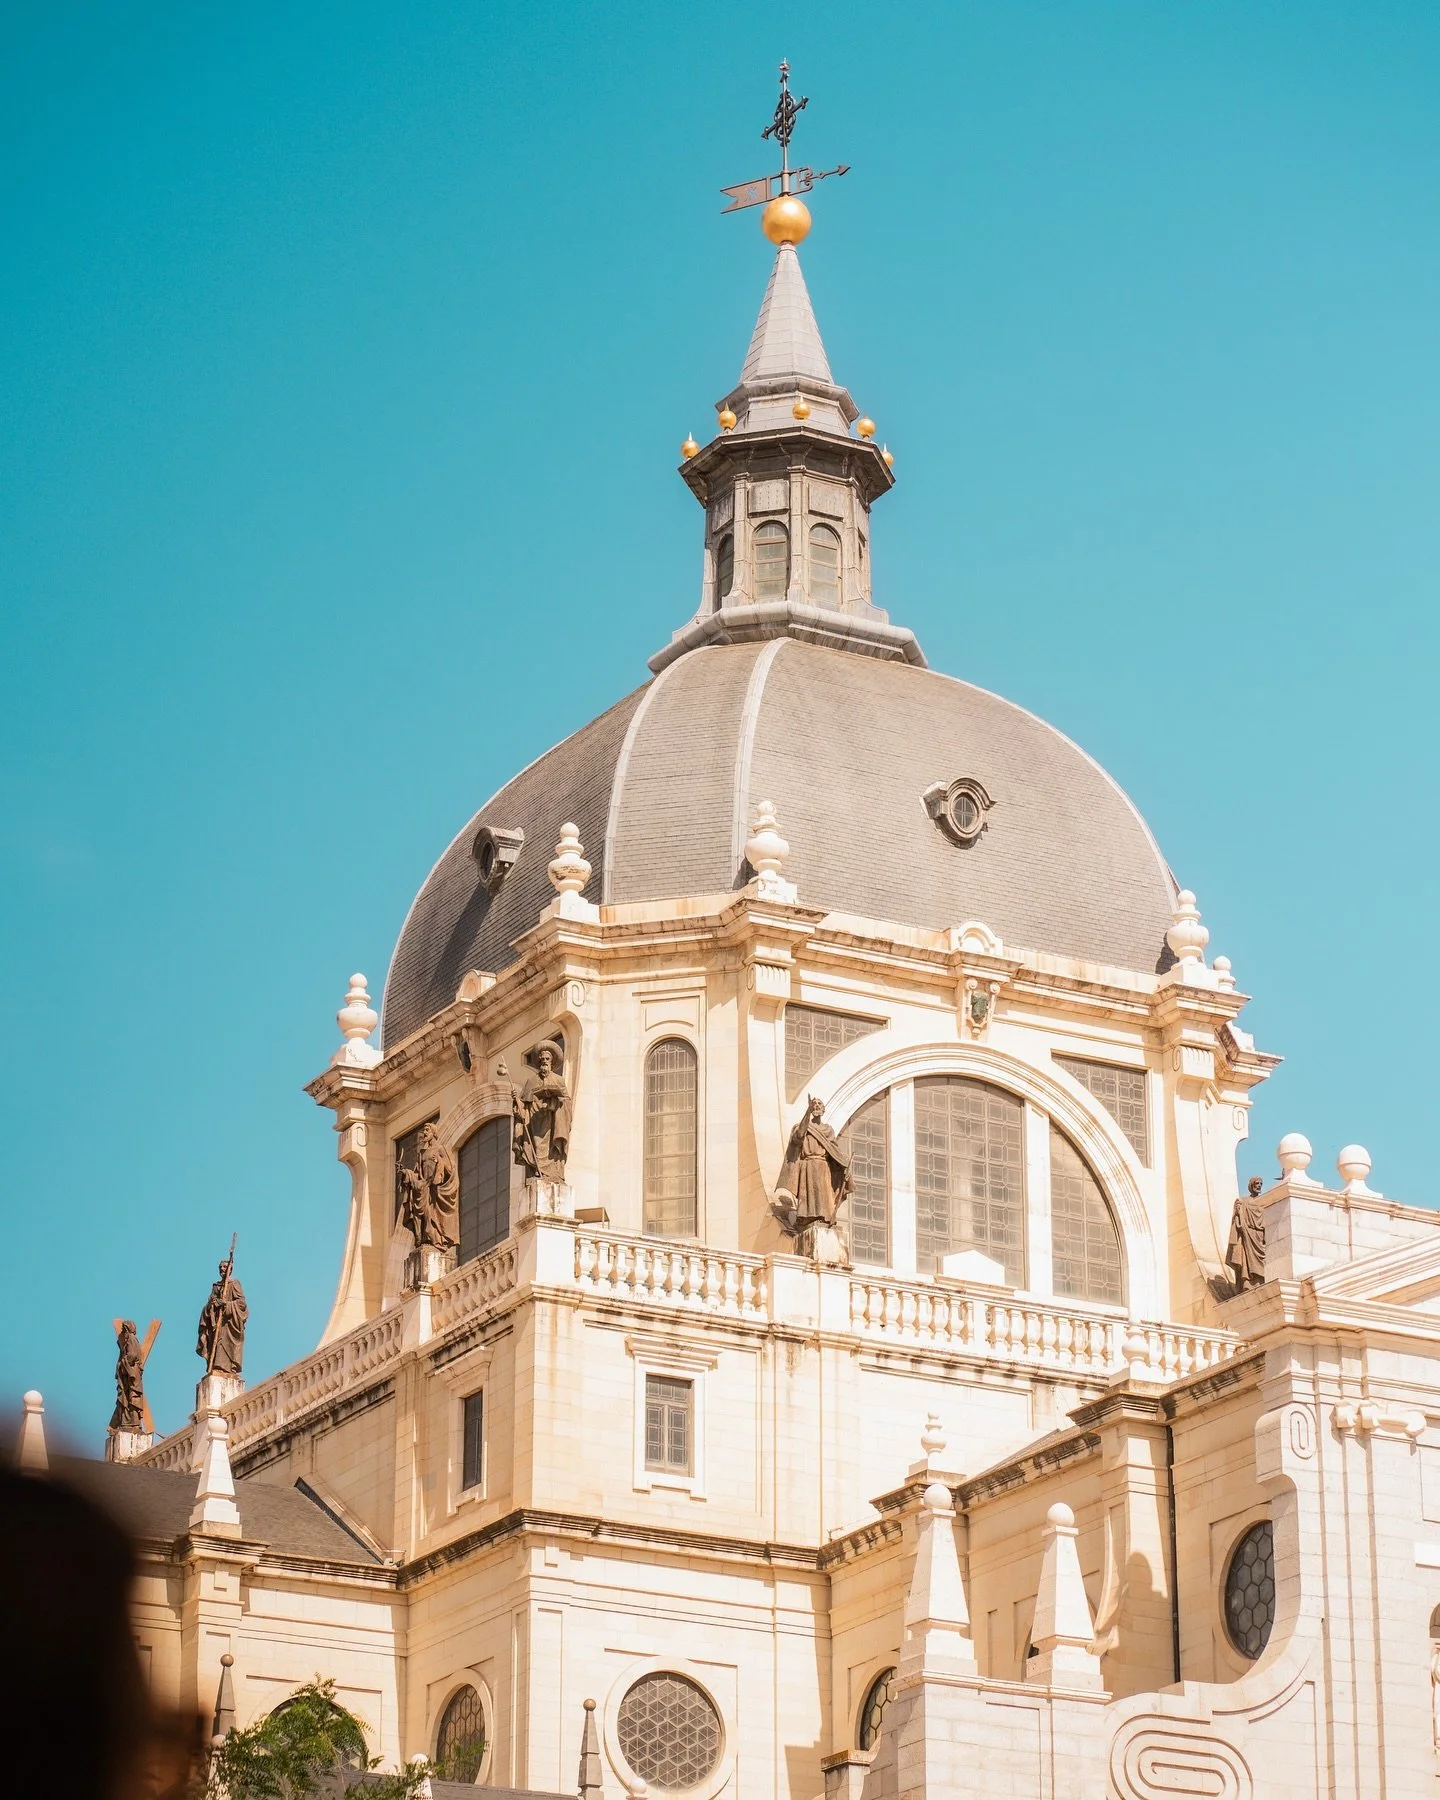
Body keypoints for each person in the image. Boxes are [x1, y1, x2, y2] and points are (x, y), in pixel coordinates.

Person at [773, 1096, 851, 1235]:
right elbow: (799, 1136)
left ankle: (824, 1218)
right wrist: (807, 1114)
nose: (816, 1106)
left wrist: (844, 1165)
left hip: (823, 1166)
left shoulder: (828, 1130)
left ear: (823, 1109)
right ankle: (806, 1218)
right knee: (809, 1194)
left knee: (823, 1194)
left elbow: (834, 1150)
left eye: (819, 1104)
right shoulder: (802, 1126)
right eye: (813, 1104)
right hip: (808, 1165)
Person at [512, 1041, 572, 1181]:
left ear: (551, 1061)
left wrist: (555, 1100)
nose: (544, 1061)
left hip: (553, 1121)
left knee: (552, 1151)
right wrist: (517, 1101)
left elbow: (566, 1102)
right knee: (536, 1148)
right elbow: (523, 1108)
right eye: (542, 1059)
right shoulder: (532, 1081)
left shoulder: (559, 1080)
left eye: (547, 1059)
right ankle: (537, 1171)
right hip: (535, 1121)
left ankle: (554, 1173)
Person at [397, 1121, 460, 1248]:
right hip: (424, 1188)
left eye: (427, 1130)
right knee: (422, 1215)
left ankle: (436, 1239)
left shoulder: (440, 1149)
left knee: (432, 1216)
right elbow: (418, 1174)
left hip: (436, 1188)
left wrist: (440, 1163)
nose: (424, 1133)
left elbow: (451, 1168)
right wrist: (405, 1173)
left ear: (434, 1133)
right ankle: (423, 1239)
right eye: (424, 1131)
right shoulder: (422, 1153)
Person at [197, 1262, 248, 1376]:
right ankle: (216, 1366)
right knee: (216, 1342)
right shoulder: (216, 1286)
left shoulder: (234, 1283)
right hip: (217, 1323)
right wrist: (212, 1305)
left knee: (223, 1342)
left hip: (229, 1323)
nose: (222, 1269)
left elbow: (241, 1304)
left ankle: (226, 1368)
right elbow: (208, 1305)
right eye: (220, 1267)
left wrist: (225, 1304)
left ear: (230, 1269)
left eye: (225, 1266)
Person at [1225, 1175, 1267, 1292]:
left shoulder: (1264, 1202)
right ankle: (1248, 1283)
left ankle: (1260, 1282)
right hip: (1248, 1234)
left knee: (1263, 1262)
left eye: (1260, 1184)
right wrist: (1238, 1213)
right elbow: (1239, 1224)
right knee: (1247, 1259)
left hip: (1259, 1236)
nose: (1258, 1186)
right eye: (1257, 1183)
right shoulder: (1244, 1202)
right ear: (1251, 1185)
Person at [110, 1320, 146, 1433]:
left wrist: (123, 1362)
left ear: (126, 1329)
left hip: (132, 1373)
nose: (122, 1332)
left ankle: (133, 1422)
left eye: (123, 1330)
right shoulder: (131, 1340)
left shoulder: (131, 1339)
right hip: (130, 1373)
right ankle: (128, 1421)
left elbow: (132, 1355)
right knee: (128, 1397)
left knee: (132, 1397)